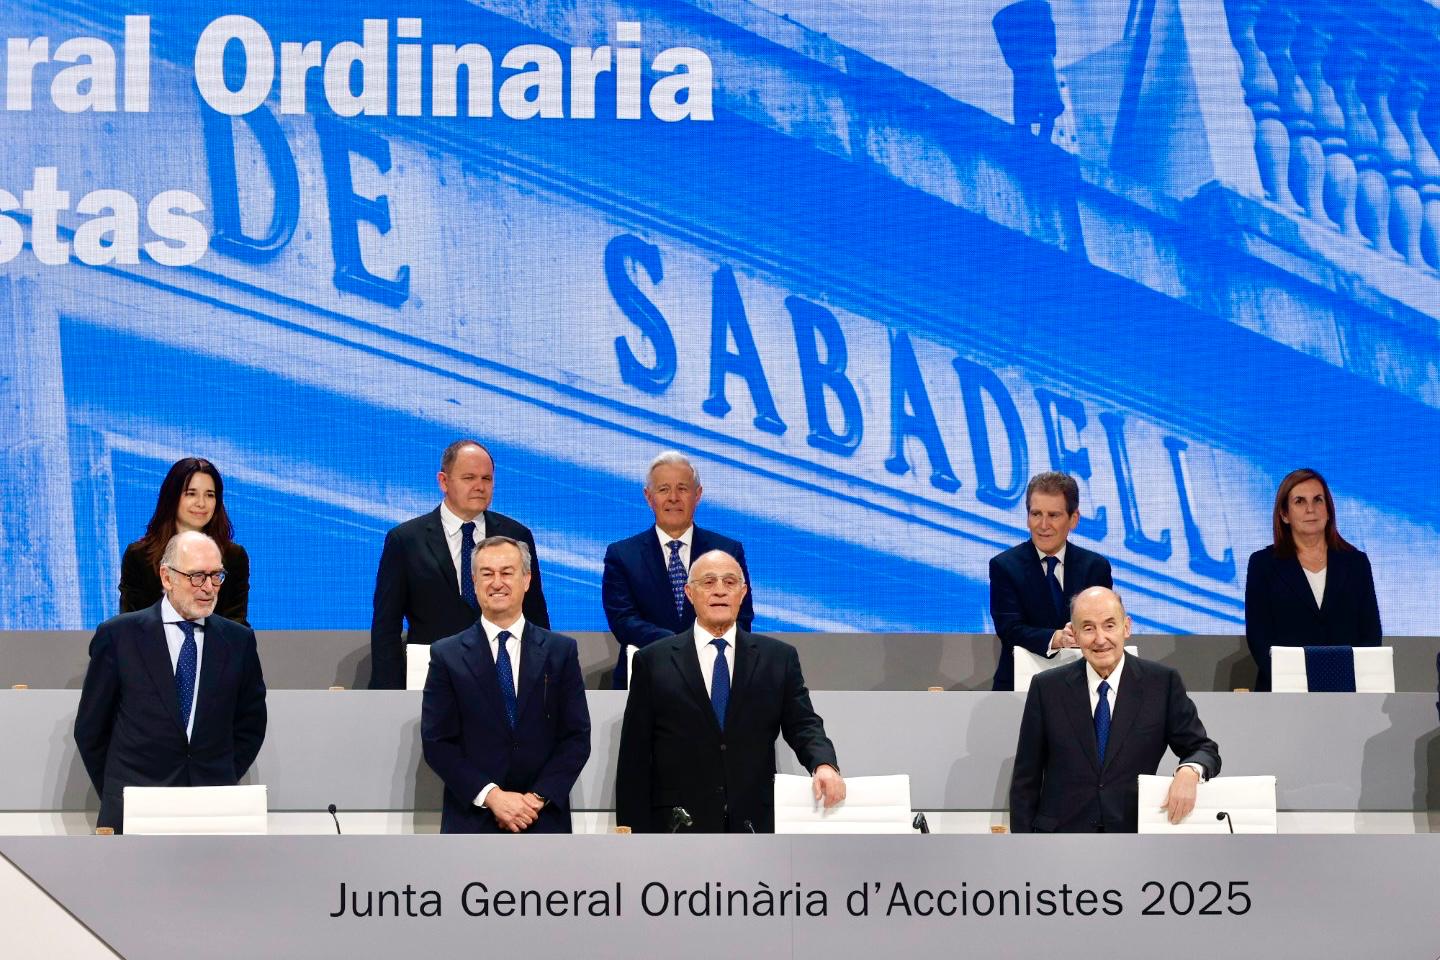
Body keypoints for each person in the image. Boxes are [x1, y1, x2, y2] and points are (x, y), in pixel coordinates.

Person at [616, 550, 842, 833]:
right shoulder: (653, 661)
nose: (720, 591)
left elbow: (804, 724)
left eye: (730, 582)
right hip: (677, 825)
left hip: (754, 823)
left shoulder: (778, 658)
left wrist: (823, 764)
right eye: (708, 582)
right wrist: (629, 832)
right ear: (689, 592)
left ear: (743, 592)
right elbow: (634, 756)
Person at [75, 531, 267, 833]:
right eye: (197, 576)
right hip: (134, 809)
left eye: (216, 576)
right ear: (167, 577)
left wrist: (218, 775)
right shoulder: (118, 636)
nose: (208, 588)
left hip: (213, 809)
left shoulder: (238, 641)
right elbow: (91, 730)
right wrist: (121, 790)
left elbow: (251, 725)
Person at [1009, 586, 1220, 833]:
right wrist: (1022, 849)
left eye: (1109, 625)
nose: (1100, 639)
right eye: (1088, 628)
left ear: (1126, 627)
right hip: (1061, 840)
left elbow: (1203, 749)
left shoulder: (1161, 683)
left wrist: (1189, 771)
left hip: (1131, 838)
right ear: (1075, 635)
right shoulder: (1046, 688)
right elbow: (1026, 780)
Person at [421, 536, 590, 833]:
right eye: (487, 574)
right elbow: (438, 743)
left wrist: (535, 800)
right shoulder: (446, 655)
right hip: (472, 822)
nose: (496, 582)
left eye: (507, 572)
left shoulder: (561, 651)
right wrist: (493, 797)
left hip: (542, 820)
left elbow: (576, 738)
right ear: (473, 582)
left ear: (526, 580)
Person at [370, 440, 550, 690]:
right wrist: (389, 693)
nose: (479, 487)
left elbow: (535, 614)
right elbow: (386, 625)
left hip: (504, 680)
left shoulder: (516, 535)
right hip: (432, 680)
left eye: (486, 479)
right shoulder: (406, 540)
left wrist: (545, 680)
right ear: (443, 481)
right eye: (469, 478)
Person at [602, 451, 754, 689]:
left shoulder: (727, 551)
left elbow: (742, 617)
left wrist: (702, 646)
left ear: (698, 495)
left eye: (682, 489)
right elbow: (623, 620)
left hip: (715, 676)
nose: (673, 498)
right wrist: (680, 645)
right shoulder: (622, 555)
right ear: (648, 497)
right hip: (646, 678)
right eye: (663, 490)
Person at [1245, 468, 1382, 692]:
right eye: (1300, 501)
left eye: (1318, 500)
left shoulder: (1356, 563)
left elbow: (1371, 634)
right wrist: (1296, 682)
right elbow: (1259, 638)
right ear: (1284, 514)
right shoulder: (1263, 564)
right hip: (1283, 694)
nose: (1311, 509)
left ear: (1328, 510)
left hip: (1348, 694)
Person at [989, 471, 1112, 690]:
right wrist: (1057, 638)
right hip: (1020, 688)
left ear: (1073, 518)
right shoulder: (1005, 566)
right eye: (1036, 514)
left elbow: (1104, 627)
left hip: (1082, 689)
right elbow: (1009, 629)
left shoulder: (1095, 568)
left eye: (1053, 515)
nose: (1043, 525)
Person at [119, 457, 250, 625]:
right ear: (172, 497)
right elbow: (130, 625)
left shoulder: (234, 557)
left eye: (209, 495)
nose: (201, 503)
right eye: (191, 494)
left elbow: (236, 627)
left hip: (216, 649)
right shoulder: (138, 555)